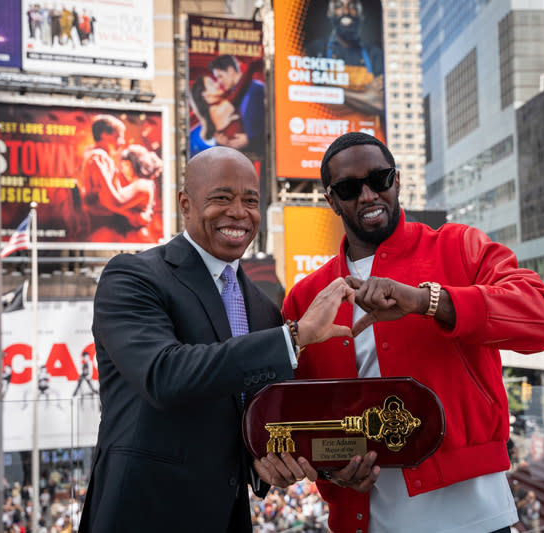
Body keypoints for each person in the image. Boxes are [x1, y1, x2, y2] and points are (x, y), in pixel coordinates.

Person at [280, 132, 544, 532]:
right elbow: (300, 417)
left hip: (476, 514)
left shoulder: (459, 246)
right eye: (348, 188)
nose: (367, 196)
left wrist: (428, 302)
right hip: (363, 518)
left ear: (396, 181)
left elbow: (542, 316)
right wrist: (329, 472)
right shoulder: (307, 296)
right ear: (331, 200)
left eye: (378, 179)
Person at [78, 146, 355, 531]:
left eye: (251, 201)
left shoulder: (262, 307)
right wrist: (294, 337)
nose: (239, 213)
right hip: (141, 514)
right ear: (186, 204)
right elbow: (164, 374)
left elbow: (253, 419)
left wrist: (272, 463)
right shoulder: (132, 277)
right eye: (222, 198)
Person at [77, 114, 156, 242]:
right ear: (104, 135)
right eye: (118, 137)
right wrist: (134, 215)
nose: (122, 142)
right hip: (102, 228)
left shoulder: (100, 157)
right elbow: (112, 201)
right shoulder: (99, 157)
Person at [304, 0, 384, 116]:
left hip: (366, 133)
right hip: (324, 131)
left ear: (362, 13)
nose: (346, 11)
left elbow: (379, 103)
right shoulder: (314, 50)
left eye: (352, 6)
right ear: (329, 12)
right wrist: (365, 98)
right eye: (338, 6)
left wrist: (328, 92)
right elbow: (307, 96)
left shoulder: (375, 55)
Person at [208, 55, 265, 155]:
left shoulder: (257, 89)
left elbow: (273, 123)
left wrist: (250, 139)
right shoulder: (229, 97)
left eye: (220, 76)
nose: (219, 81)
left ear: (230, 70)